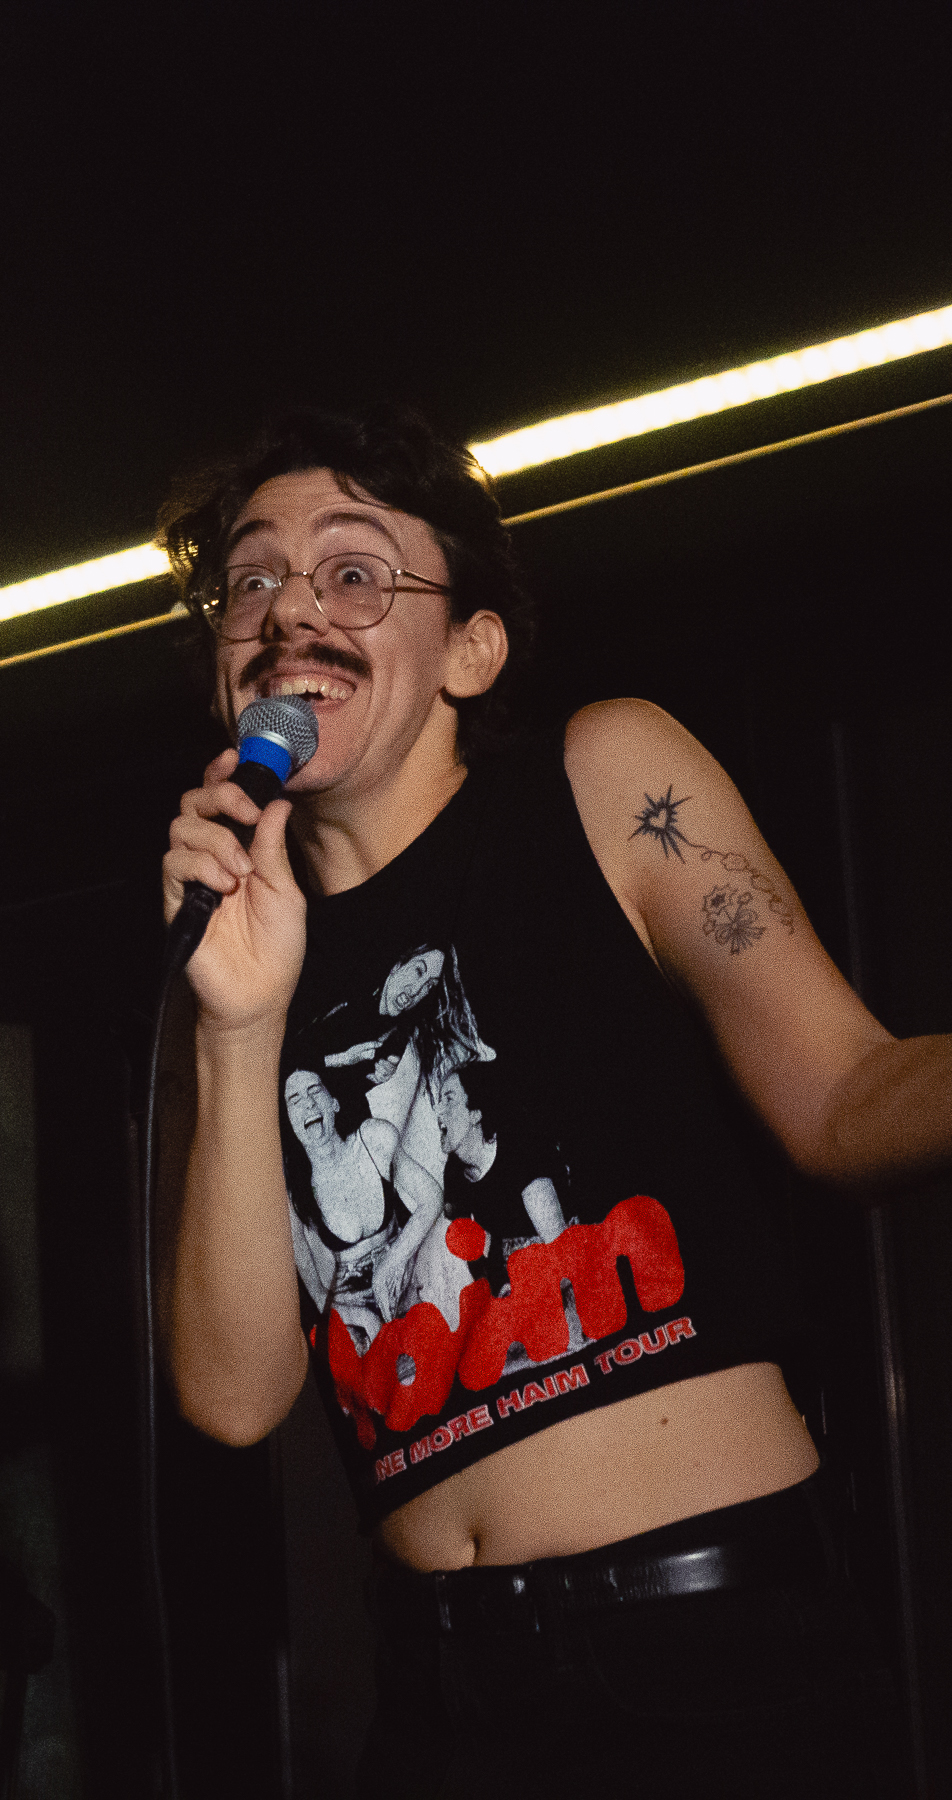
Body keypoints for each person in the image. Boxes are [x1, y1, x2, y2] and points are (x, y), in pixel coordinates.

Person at [151, 407, 952, 1796]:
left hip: (708, 1649)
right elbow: (231, 1396)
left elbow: (845, 1101)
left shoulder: (604, 779)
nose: (291, 613)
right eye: (253, 580)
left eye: (354, 572)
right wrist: (235, 1023)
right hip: (443, 1691)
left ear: (472, 651)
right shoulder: (216, 965)